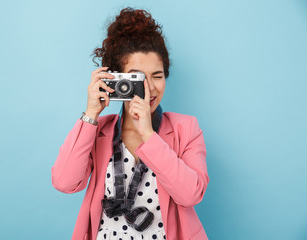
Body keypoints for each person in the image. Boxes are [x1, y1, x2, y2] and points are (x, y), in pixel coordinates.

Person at [51, 7, 209, 240]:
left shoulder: (186, 129)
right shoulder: (99, 131)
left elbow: (190, 196)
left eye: (157, 76)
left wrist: (148, 135)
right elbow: (65, 183)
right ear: (118, 80)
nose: (149, 88)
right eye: (138, 78)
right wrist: (91, 113)